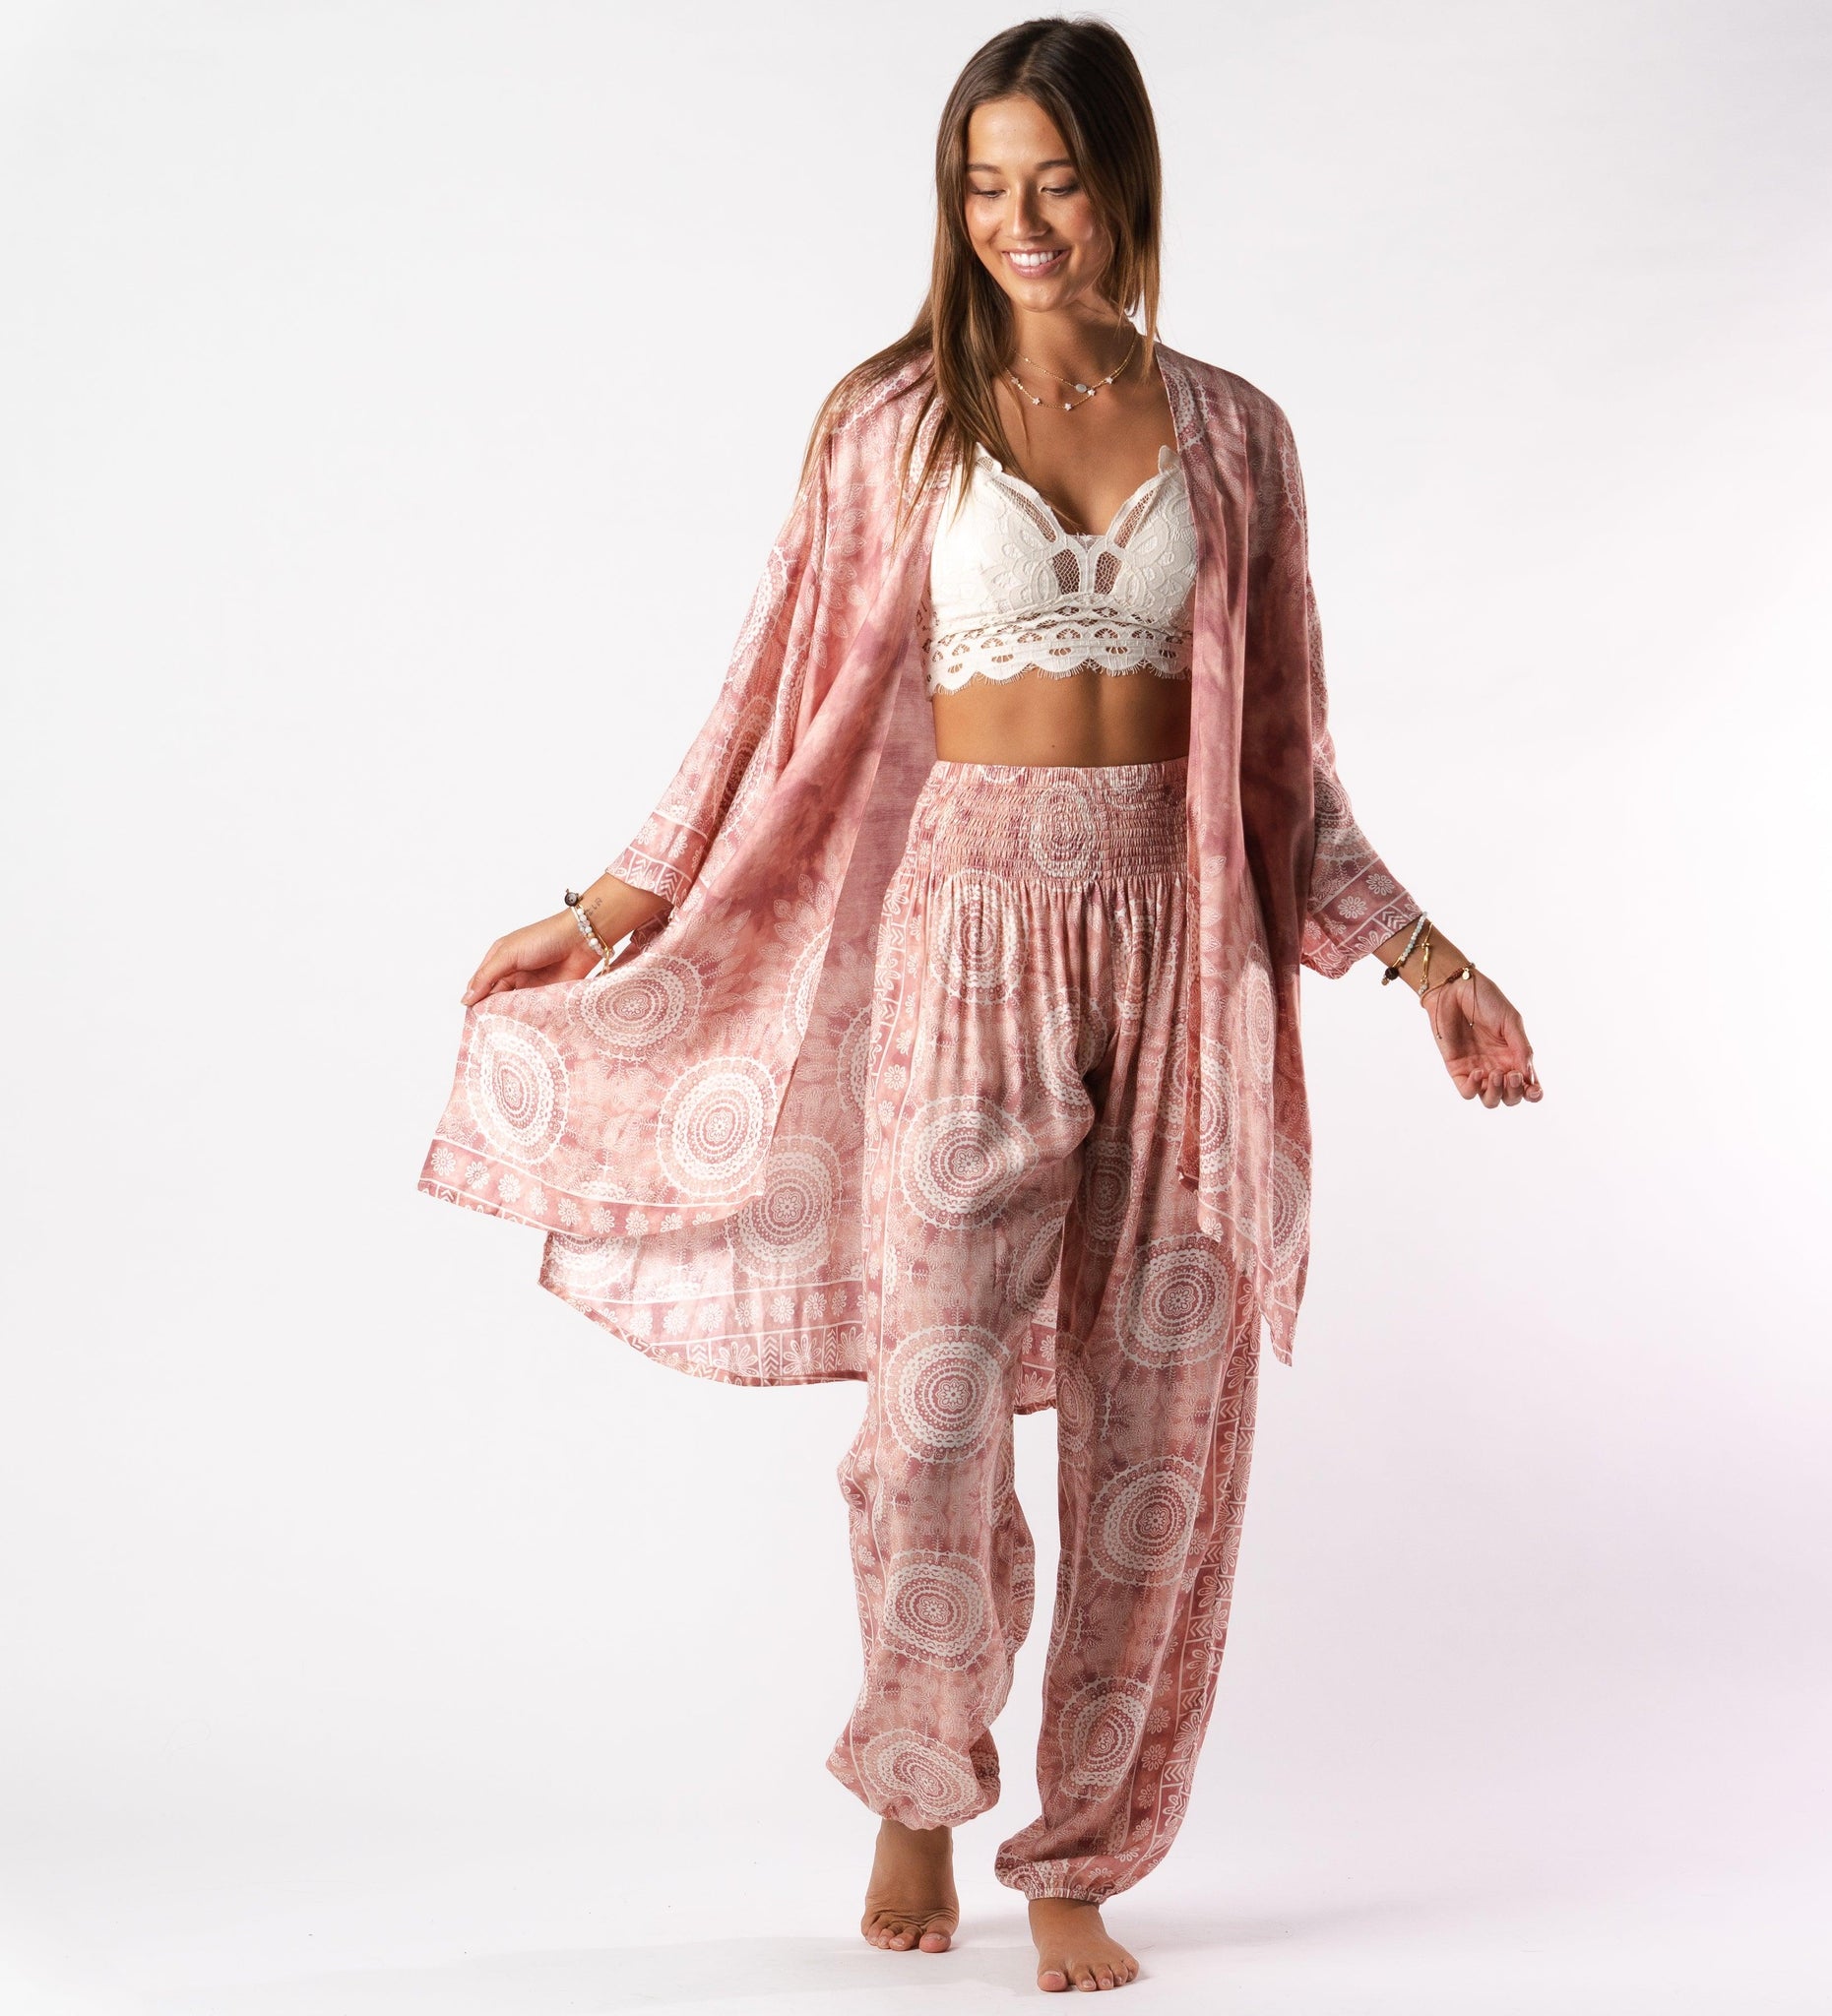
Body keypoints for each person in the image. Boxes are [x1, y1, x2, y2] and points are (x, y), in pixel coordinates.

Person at [422, 17, 1540, 1995]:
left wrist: (1430, 963)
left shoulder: (1238, 436)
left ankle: (1083, 1852)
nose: (1019, 220)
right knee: (928, 1413)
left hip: (1185, 952)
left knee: (1159, 1429)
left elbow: (1286, 771)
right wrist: (608, 905)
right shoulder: (890, 424)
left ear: (1125, 186)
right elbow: (765, 699)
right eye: (982, 182)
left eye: (1057, 180)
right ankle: (918, 1771)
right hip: (967, 941)